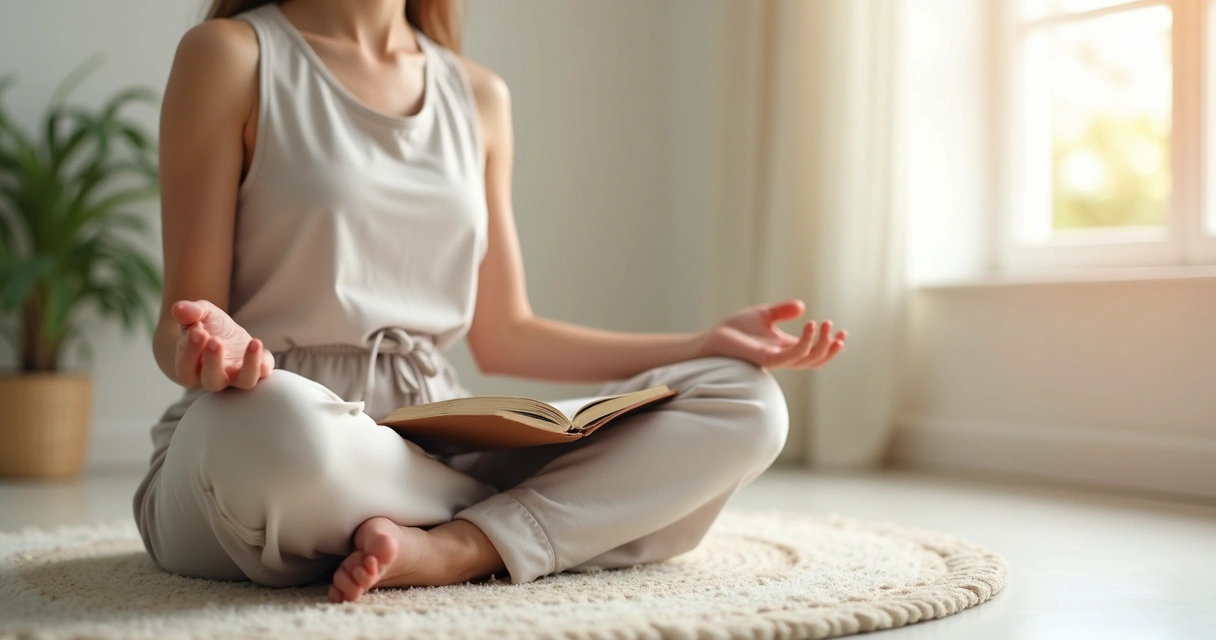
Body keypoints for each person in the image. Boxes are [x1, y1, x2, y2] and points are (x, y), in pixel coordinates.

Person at [134, 0, 848, 605]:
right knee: (280, 427)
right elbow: (181, 326)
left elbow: (508, 333)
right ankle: (556, 521)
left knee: (747, 401)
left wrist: (704, 344)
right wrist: (209, 352)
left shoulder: (478, 95)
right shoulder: (230, 56)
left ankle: (458, 549)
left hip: (433, 447)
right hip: (273, 436)